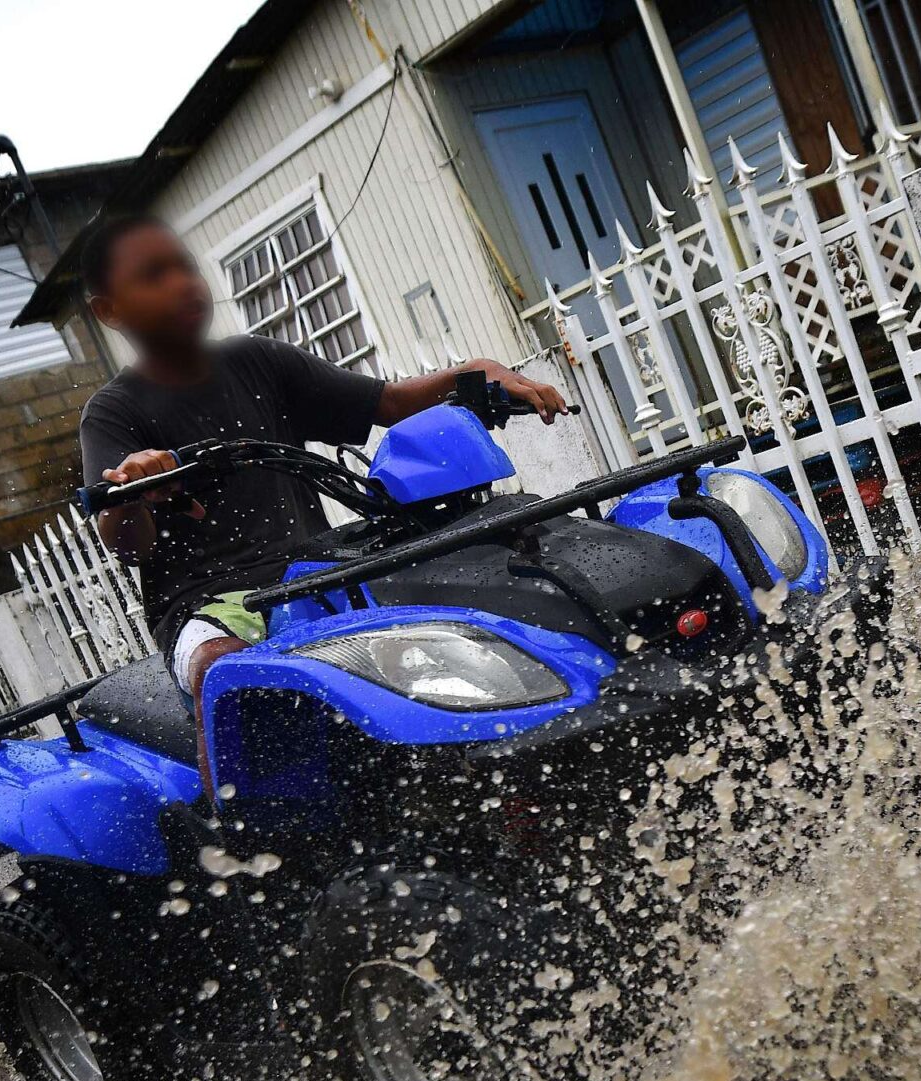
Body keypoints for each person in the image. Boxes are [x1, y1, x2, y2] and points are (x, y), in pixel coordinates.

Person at [76, 214, 566, 733]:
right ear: (109, 311)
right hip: (212, 606)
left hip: (316, 572)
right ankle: (244, 810)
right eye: (154, 275)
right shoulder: (113, 411)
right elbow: (127, 544)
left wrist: (477, 372)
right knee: (226, 673)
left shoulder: (256, 359)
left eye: (186, 267)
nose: (182, 283)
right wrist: (133, 490)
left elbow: (390, 402)